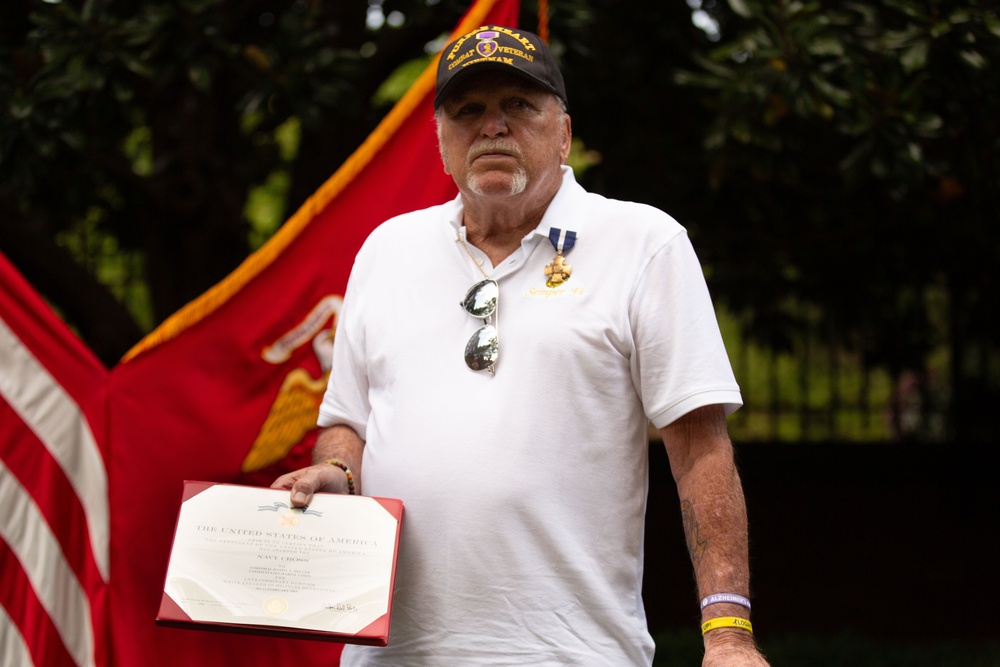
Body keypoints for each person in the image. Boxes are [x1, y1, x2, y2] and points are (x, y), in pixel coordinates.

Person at [273, 25, 770, 667]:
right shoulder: (385, 251)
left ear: (563, 133)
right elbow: (348, 422)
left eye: (519, 105)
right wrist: (336, 472)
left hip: (571, 653)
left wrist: (728, 635)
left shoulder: (644, 243)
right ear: (442, 140)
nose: (493, 127)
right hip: (392, 654)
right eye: (469, 110)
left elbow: (701, 447)